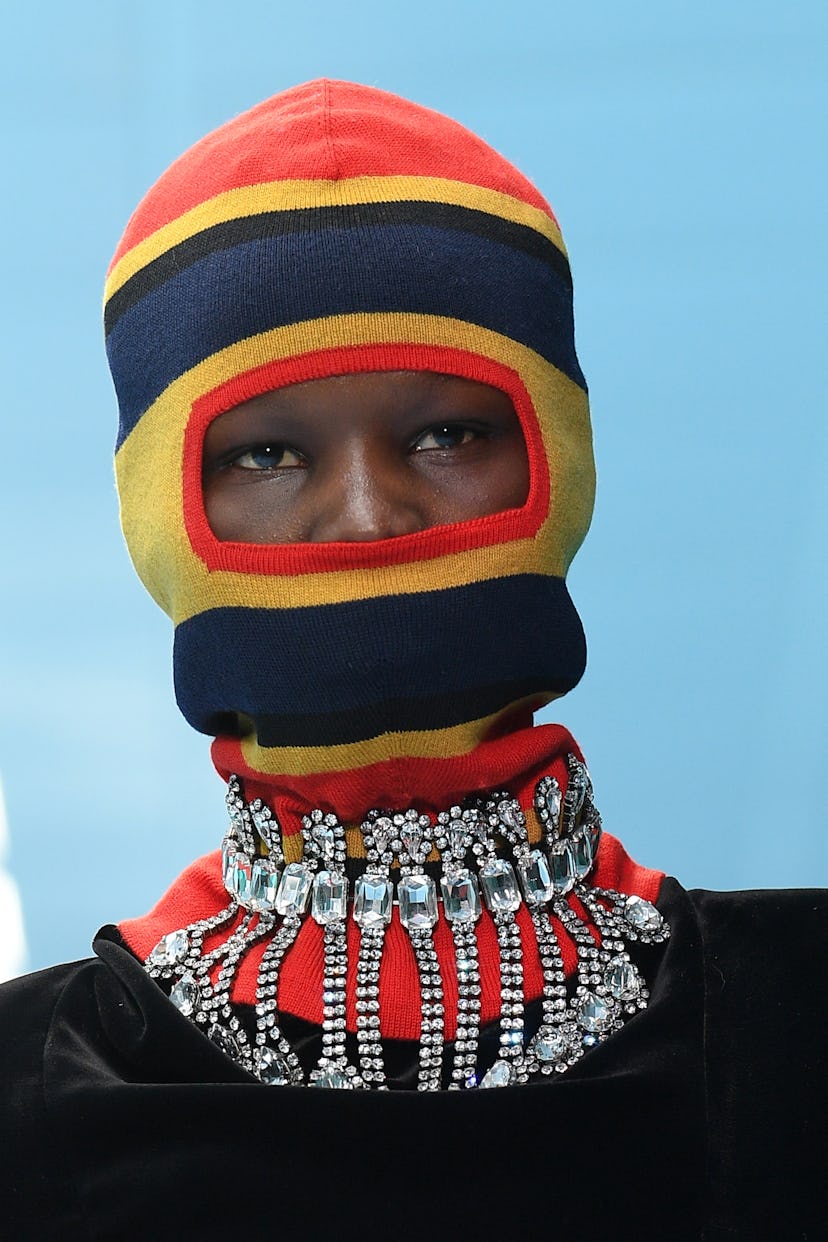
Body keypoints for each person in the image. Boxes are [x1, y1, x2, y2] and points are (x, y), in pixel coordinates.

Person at [0, 78, 825, 1241]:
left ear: (561, 459)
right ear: (156, 515)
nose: (369, 515)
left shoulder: (800, 1025)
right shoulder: (33, 1093)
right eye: (266, 452)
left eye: (448, 434)